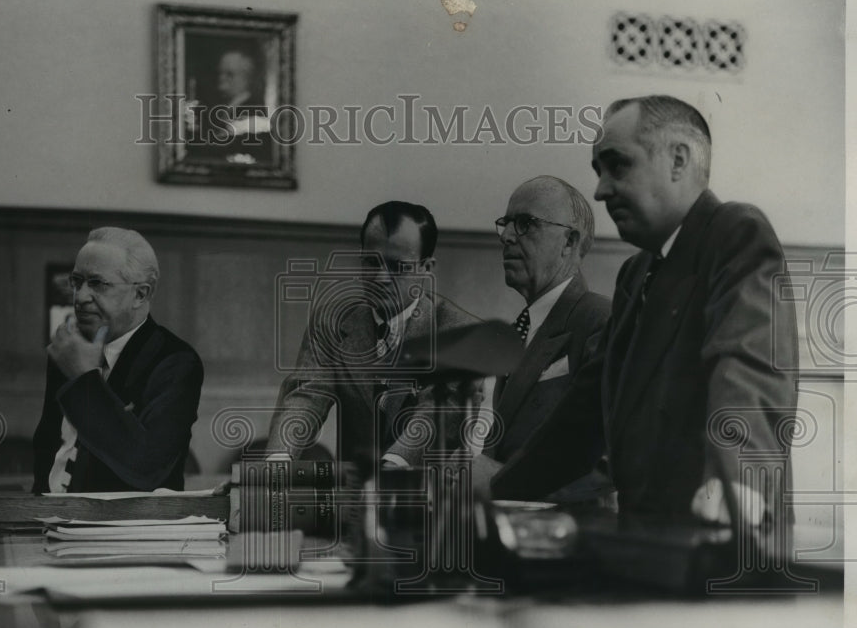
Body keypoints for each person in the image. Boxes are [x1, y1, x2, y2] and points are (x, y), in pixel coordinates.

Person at [492, 95, 799, 535]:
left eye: (617, 166)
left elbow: (748, 365)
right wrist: (495, 489)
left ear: (678, 160)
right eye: (598, 172)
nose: (599, 190)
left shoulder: (735, 232)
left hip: (727, 542)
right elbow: (583, 415)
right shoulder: (635, 274)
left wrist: (735, 480)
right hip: (651, 547)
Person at [267, 201, 479, 468]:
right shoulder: (332, 322)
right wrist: (277, 460)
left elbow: (437, 412)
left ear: (426, 268)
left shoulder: (459, 332)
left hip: (433, 495)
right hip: (356, 498)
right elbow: (306, 395)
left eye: (397, 266)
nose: (380, 278)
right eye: (370, 262)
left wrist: (392, 466)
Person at [32, 227, 204, 493]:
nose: (80, 297)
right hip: (49, 520)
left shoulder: (177, 362)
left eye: (97, 284)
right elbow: (48, 449)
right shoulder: (67, 350)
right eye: (76, 282)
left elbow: (146, 468)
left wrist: (85, 380)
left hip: (129, 529)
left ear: (141, 294)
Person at [471, 176, 610, 498]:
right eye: (506, 224)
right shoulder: (520, 330)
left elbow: (609, 458)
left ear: (569, 243)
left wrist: (500, 479)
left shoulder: (602, 321)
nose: (506, 236)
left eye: (526, 224)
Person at [185, 47, 272, 164]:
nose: (221, 79)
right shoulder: (218, 109)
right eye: (220, 73)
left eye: (229, 74)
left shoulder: (255, 111)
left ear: (248, 78)